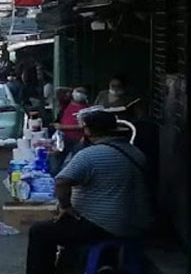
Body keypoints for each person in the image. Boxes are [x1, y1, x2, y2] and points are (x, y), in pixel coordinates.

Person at [26, 111, 151, 274]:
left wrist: (65, 207)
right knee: (67, 231)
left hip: (103, 225)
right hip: (135, 223)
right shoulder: (135, 152)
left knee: (39, 232)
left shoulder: (90, 154)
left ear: (87, 130)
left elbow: (62, 182)